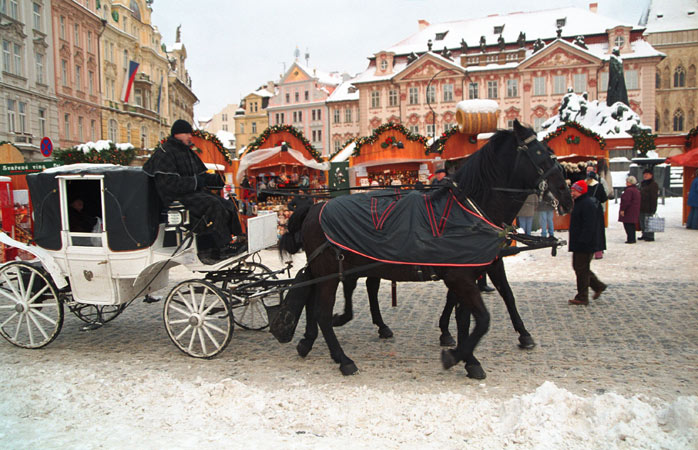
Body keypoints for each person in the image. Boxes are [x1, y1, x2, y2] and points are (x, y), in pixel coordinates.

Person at [143, 119, 244, 263]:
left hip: (192, 194)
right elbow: (169, 184)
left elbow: (201, 176)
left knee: (227, 203)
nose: (190, 136)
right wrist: (196, 182)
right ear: (177, 134)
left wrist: (215, 180)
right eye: (186, 133)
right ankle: (220, 248)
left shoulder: (187, 152)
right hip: (176, 198)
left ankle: (236, 238)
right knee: (213, 205)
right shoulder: (165, 153)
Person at [568, 180, 607, 305]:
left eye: (574, 190)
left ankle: (582, 297)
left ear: (580, 191)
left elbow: (589, 226)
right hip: (580, 242)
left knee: (581, 269)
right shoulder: (580, 203)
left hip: (584, 244)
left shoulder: (586, 204)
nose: (572, 192)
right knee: (580, 267)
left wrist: (583, 241)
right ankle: (598, 286)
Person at [586, 170, 608, 258]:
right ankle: (598, 251)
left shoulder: (584, 186)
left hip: (587, 211)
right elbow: (604, 198)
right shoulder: (599, 186)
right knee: (598, 231)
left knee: (587, 231)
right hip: (597, 211)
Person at [618, 175, 641, 244]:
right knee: (632, 225)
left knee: (628, 225)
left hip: (628, 211)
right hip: (634, 210)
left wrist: (622, 209)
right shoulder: (636, 190)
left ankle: (630, 239)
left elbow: (626, 201)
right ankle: (632, 238)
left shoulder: (628, 190)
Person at [639, 168, 659, 242]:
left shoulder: (653, 184)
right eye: (644, 174)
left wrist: (653, 208)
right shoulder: (643, 183)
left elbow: (654, 197)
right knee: (642, 221)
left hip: (649, 206)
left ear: (651, 175)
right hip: (641, 206)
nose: (645, 175)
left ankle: (650, 236)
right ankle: (644, 234)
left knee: (648, 221)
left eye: (647, 174)